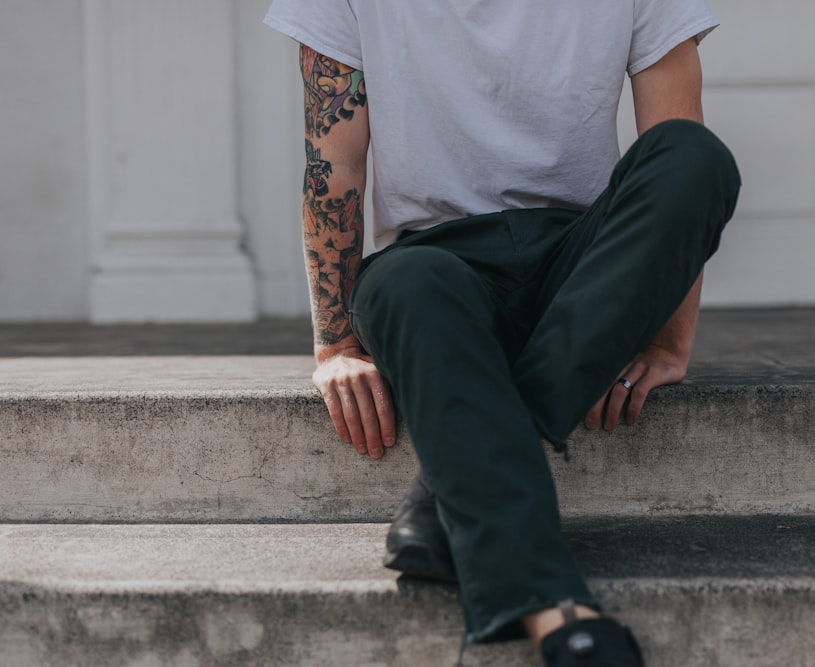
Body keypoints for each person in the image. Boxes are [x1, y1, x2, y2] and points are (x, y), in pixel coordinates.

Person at [265, 2, 739, 664]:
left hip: (578, 266)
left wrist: (666, 336)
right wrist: (337, 345)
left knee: (696, 156)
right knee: (408, 285)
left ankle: (443, 490)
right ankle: (558, 614)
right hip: (432, 272)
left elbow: (678, 148)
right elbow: (333, 168)